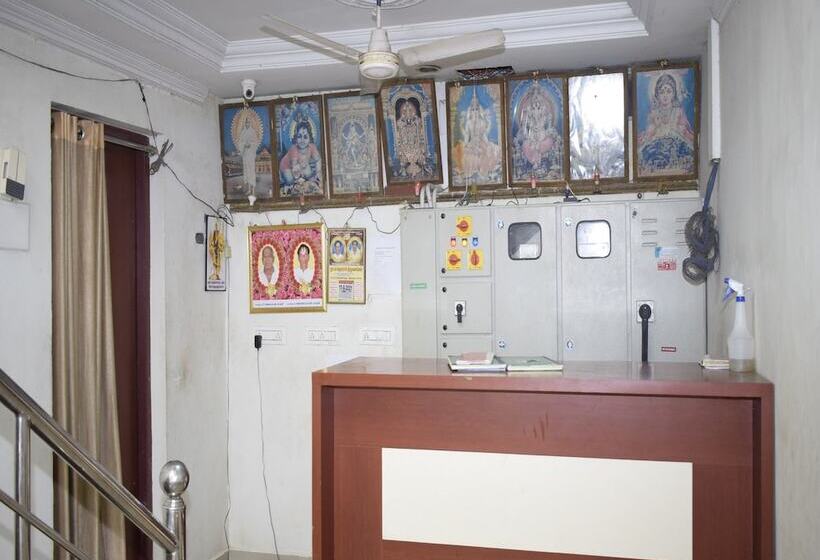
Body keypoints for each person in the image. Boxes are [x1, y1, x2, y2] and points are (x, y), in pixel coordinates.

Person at [638, 73, 695, 175]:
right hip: (657, 146)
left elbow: (685, 131)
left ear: (674, 94)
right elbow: (649, 133)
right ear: (657, 94)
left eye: (669, 91)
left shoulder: (678, 111)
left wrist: (679, 129)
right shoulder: (654, 113)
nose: (665, 95)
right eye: (662, 92)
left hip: (676, 144)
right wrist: (653, 128)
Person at [458, 88, 501, 182]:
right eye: (473, 110)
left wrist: (488, 144)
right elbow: (467, 136)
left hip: (481, 142)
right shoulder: (468, 123)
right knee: (467, 154)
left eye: (476, 109)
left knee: (489, 151)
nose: (475, 112)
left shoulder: (482, 122)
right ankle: (472, 174)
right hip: (472, 143)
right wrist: (466, 144)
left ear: (479, 110)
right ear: (470, 111)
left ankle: (483, 173)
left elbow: (484, 135)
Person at [280, 121, 322, 195]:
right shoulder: (294, 149)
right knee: (290, 180)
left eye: (305, 137)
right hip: (287, 167)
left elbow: (318, 160)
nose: (302, 140)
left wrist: (318, 173)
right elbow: (295, 169)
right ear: (295, 138)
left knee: (309, 173)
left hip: (302, 165)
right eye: (299, 136)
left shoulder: (312, 147)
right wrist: (299, 179)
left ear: (310, 138)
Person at [394, 97, 426, 178]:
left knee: (418, 147)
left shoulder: (416, 121)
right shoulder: (401, 123)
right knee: (405, 149)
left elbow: (419, 128)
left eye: (410, 110)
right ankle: (408, 166)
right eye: (405, 111)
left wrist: (415, 121)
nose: (408, 112)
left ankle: (417, 165)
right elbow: (399, 128)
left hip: (415, 142)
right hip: (406, 143)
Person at [238, 115, 261, 192]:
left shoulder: (253, 132)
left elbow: (255, 143)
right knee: (247, 171)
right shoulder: (243, 132)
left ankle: (253, 190)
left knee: (251, 171)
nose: (247, 123)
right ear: (245, 123)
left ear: (250, 123)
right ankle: (248, 189)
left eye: (248, 122)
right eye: (246, 122)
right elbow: (240, 142)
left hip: (251, 154)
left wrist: (250, 144)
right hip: (245, 154)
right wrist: (244, 144)